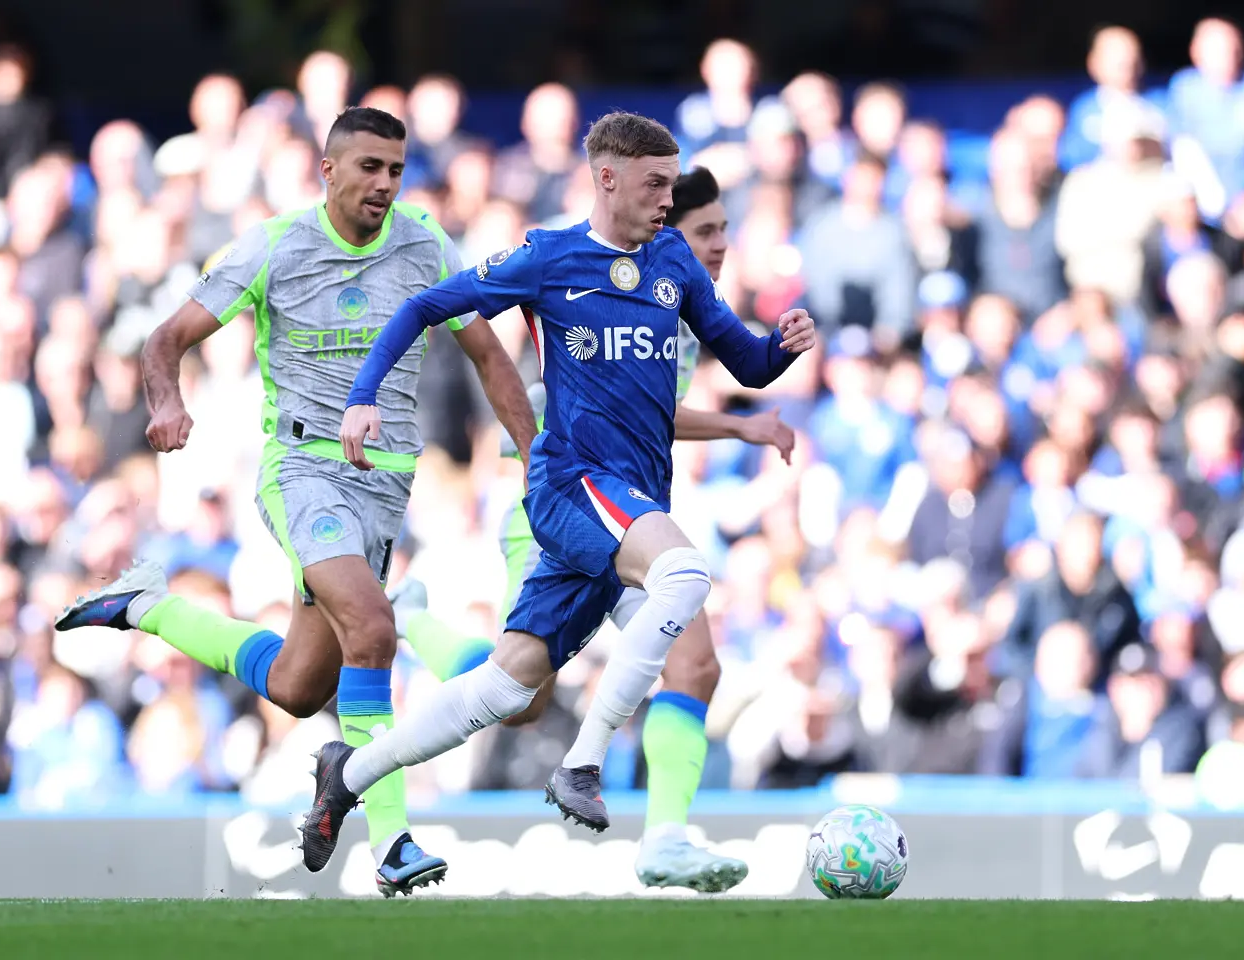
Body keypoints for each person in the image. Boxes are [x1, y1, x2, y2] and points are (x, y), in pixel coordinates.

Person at [303, 112, 817, 875]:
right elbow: (423, 307)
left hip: (627, 501)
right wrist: (363, 393)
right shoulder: (548, 257)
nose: (668, 202)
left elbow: (745, 362)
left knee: (507, 689)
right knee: (683, 576)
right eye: (655, 185)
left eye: (673, 186)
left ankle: (346, 776)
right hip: (571, 482)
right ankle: (583, 762)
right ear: (606, 179)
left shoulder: (672, 259)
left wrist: (783, 346)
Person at [52, 107, 536, 897]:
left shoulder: (425, 244)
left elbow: (488, 354)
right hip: (303, 471)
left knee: (298, 686)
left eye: (395, 169)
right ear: (329, 169)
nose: (385, 183)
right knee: (374, 629)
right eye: (370, 167)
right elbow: (166, 337)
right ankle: (394, 841)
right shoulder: (275, 245)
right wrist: (166, 401)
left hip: (386, 486)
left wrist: (533, 457)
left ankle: (148, 608)